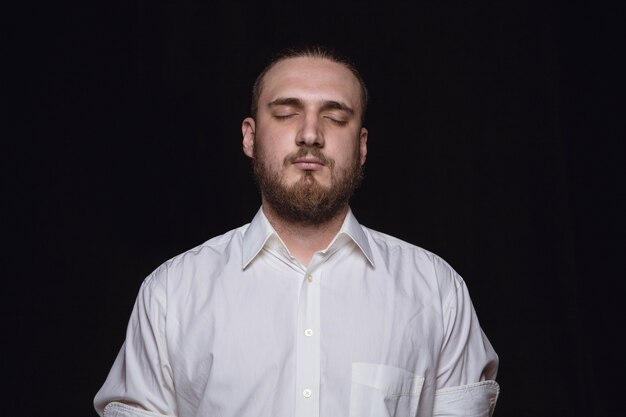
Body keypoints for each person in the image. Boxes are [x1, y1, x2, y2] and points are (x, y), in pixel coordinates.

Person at [94, 45, 499, 417]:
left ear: (361, 147)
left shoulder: (437, 292)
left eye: (335, 117)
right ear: (249, 137)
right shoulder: (170, 295)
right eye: (287, 113)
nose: (310, 135)